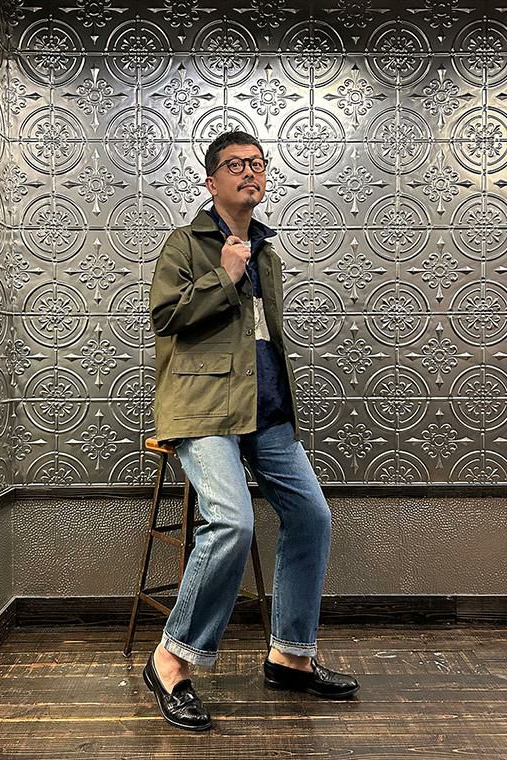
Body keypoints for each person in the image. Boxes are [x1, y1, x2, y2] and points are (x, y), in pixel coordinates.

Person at [145, 131, 359, 731]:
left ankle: (291, 656)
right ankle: (171, 660)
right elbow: (164, 316)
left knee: (312, 516)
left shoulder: (267, 253)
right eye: (235, 164)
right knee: (233, 521)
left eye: (258, 164)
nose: (250, 172)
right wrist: (223, 275)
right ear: (211, 181)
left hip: (266, 410)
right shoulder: (185, 244)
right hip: (204, 410)